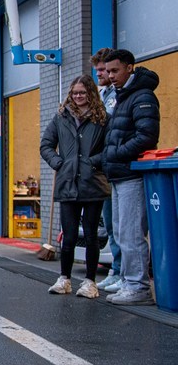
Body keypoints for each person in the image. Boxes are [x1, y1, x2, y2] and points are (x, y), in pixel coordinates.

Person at [40, 75, 110, 299]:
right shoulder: (61, 117)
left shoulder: (103, 118)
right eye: (74, 93)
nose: (78, 96)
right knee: (68, 236)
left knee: (91, 235)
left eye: (82, 92)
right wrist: (58, 163)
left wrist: (93, 162)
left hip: (93, 183)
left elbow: (109, 148)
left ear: (91, 93)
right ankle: (64, 279)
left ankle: (90, 282)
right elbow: (46, 145)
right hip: (67, 182)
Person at [101, 49, 160, 306]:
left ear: (129, 68)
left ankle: (138, 287)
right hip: (119, 174)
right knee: (121, 233)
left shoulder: (142, 96)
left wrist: (115, 154)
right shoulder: (122, 96)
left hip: (131, 174)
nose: (111, 76)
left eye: (115, 70)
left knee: (131, 232)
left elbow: (147, 136)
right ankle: (128, 282)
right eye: (108, 71)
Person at [90, 48, 124, 291]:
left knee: (120, 225)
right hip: (103, 168)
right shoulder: (101, 94)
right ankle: (117, 269)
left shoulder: (116, 97)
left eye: (104, 70)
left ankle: (122, 271)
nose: (101, 74)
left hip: (115, 166)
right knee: (111, 224)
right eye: (99, 71)